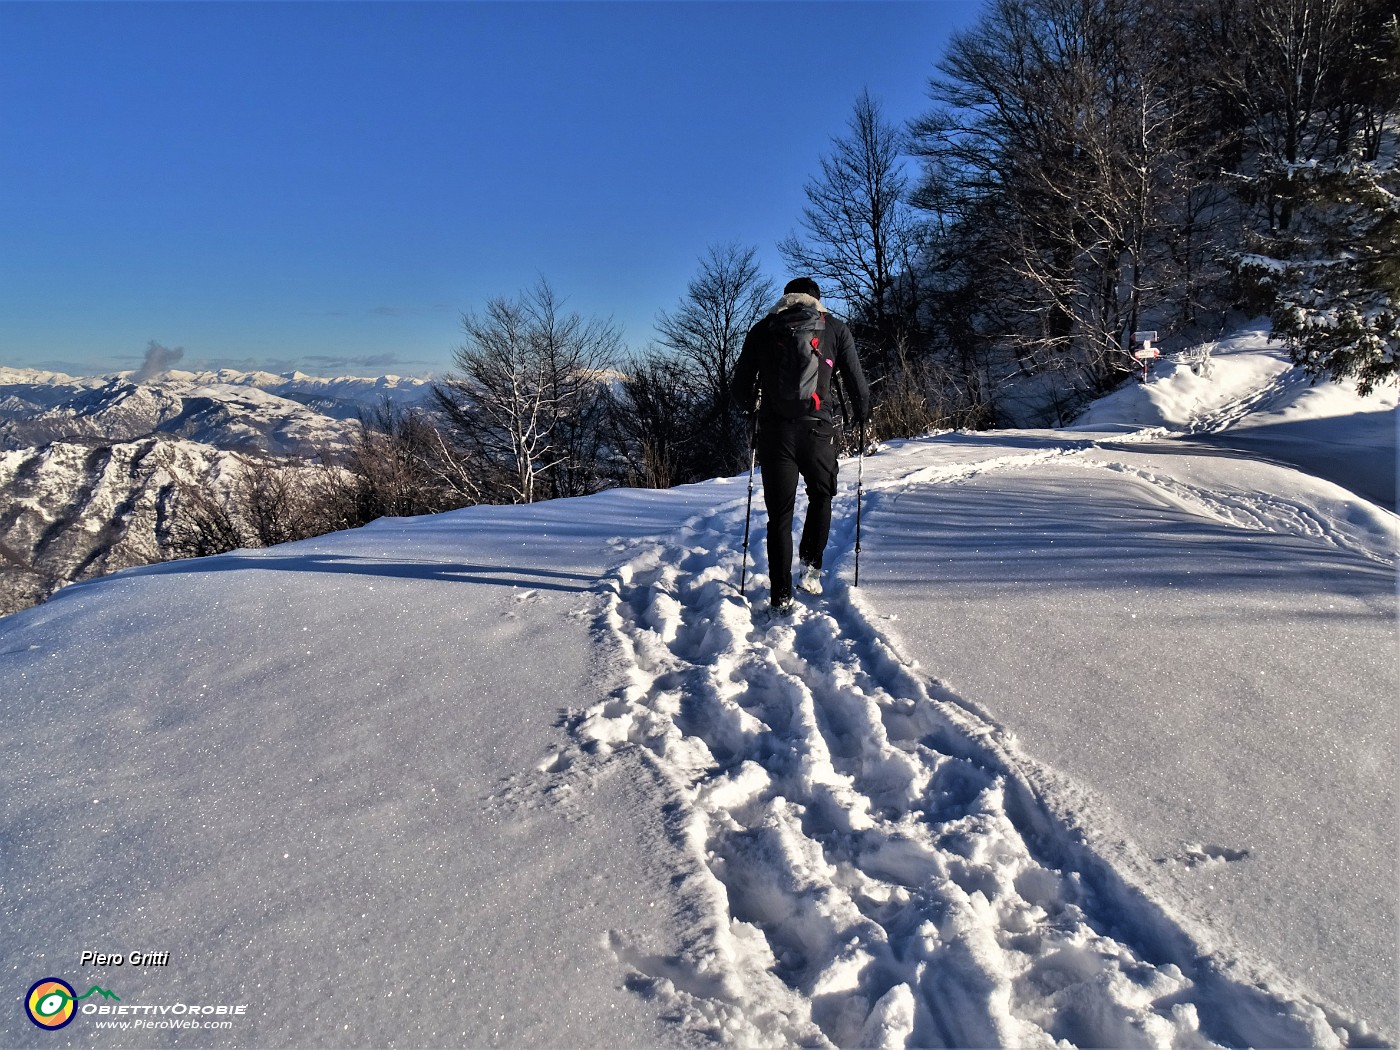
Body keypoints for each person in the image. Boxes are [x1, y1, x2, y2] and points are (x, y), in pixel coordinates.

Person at [732, 277, 871, 614]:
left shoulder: (763, 329)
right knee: (821, 496)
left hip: (775, 434)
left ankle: (780, 596)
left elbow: (739, 388)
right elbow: (858, 386)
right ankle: (810, 570)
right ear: (817, 301)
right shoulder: (835, 329)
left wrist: (753, 409)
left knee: (779, 515)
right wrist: (861, 420)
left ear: (786, 299)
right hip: (818, 432)